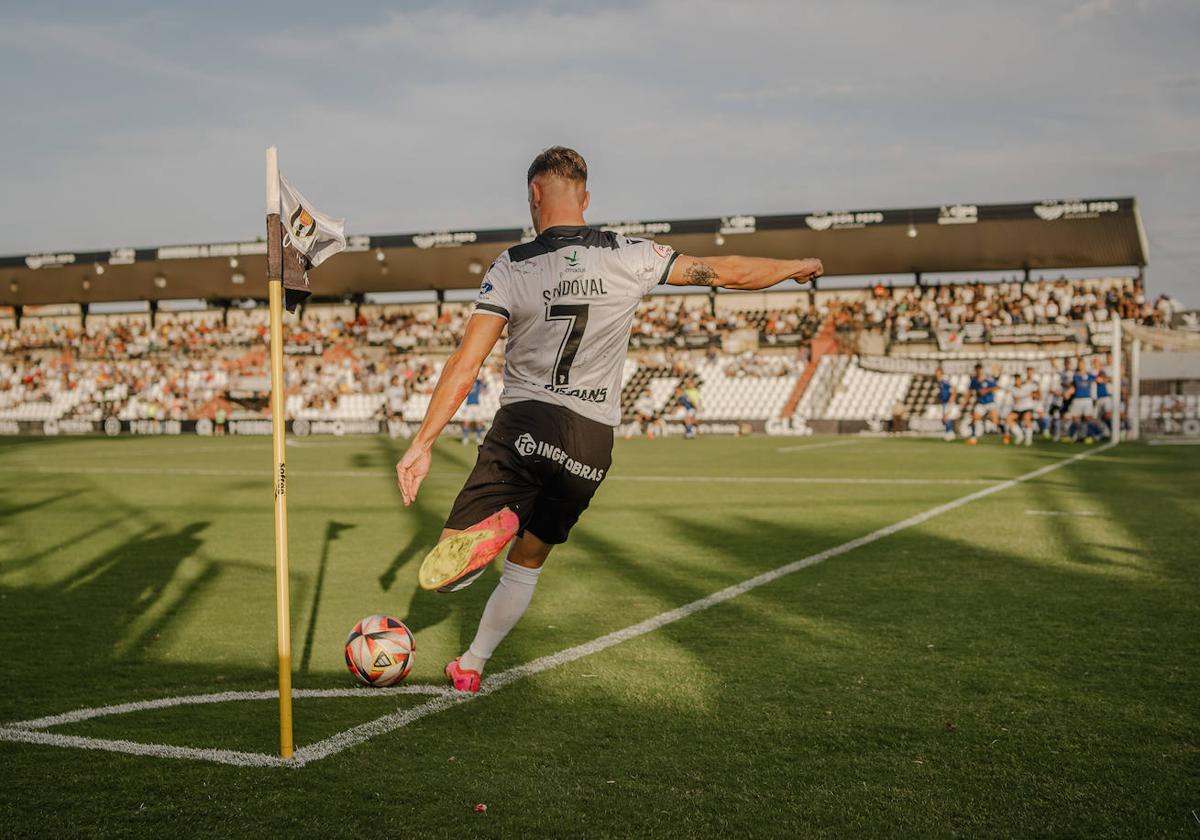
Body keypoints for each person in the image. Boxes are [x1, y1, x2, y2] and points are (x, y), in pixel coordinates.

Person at [394, 146, 823, 692]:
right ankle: (472, 665)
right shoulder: (631, 254)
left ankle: (491, 529)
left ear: (534, 195)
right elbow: (724, 272)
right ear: (586, 198)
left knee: (445, 569)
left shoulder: (515, 264)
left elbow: (466, 362)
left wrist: (422, 443)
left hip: (529, 424)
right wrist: (793, 268)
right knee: (529, 564)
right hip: (592, 446)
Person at [965, 363, 998, 445]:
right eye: (977, 370)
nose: (978, 371)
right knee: (974, 418)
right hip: (981, 403)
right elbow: (969, 391)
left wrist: (986, 391)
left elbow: (996, 387)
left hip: (990, 402)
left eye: (979, 370)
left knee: (995, 421)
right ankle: (973, 438)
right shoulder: (974, 381)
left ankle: (989, 427)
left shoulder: (988, 379)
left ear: (982, 370)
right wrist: (967, 400)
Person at [460, 377, 487, 445]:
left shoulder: (478, 381)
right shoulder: (468, 381)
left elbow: (484, 386)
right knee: (466, 421)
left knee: (478, 421)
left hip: (476, 404)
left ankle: (478, 437)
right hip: (468, 404)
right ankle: (465, 437)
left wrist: (483, 381)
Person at [934, 366, 956, 441]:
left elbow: (953, 390)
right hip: (943, 402)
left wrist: (951, 399)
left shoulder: (944, 382)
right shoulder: (938, 382)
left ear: (941, 373)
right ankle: (948, 432)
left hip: (947, 402)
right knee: (944, 419)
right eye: (936, 373)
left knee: (945, 417)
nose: (937, 374)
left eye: (938, 373)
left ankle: (950, 433)